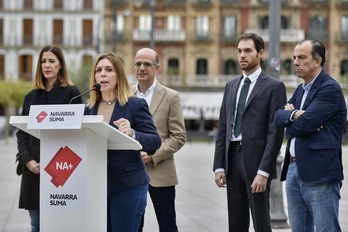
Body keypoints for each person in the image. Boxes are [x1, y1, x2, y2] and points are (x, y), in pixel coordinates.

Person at [213, 33, 287, 232]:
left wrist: (264, 171)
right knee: (236, 221)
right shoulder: (231, 86)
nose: (242, 56)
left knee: (261, 221)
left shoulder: (274, 87)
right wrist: (219, 165)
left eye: (247, 51)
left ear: (260, 53)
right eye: (239, 51)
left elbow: (275, 133)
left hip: (256, 161)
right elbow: (223, 127)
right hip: (232, 158)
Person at [84, 52, 161, 232]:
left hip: (128, 186)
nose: (103, 74)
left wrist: (132, 133)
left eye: (109, 70)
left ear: (118, 75)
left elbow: (154, 141)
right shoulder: (86, 109)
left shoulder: (134, 105)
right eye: (99, 70)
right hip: (95, 186)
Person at [274, 39, 346, 232]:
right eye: (295, 57)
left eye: (302, 57)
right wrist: (295, 114)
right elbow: (278, 117)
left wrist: (292, 120)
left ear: (317, 61)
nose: (296, 62)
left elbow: (303, 125)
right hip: (294, 168)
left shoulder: (329, 88)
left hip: (320, 171)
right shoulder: (300, 89)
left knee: (326, 229)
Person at [15, 45, 82, 232]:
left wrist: (60, 165)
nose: (47, 65)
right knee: (36, 224)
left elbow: (78, 134)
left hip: (62, 171)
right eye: (43, 61)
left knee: (60, 224)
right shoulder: (30, 97)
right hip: (33, 170)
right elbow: (22, 133)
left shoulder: (72, 93)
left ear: (60, 65)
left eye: (52, 61)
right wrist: (27, 160)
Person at [133, 48, 187, 232]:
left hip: (161, 171)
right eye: (138, 63)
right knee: (133, 226)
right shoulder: (124, 95)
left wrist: (153, 155)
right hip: (130, 171)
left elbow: (179, 136)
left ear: (157, 68)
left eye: (147, 64)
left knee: (168, 226)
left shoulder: (171, 96)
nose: (141, 68)